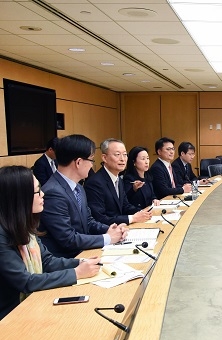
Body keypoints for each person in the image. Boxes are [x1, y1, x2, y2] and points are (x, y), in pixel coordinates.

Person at [0, 166, 101, 320]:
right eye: (37, 191)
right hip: (10, 314)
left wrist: (82, 262)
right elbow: (26, 281)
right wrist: (77, 273)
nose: (43, 194)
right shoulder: (2, 234)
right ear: (19, 197)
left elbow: (46, 261)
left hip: (30, 304)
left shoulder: (25, 226)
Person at [39, 134, 126, 258]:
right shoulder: (53, 193)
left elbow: (88, 221)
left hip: (85, 252)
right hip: (69, 260)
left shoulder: (78, 187)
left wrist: (110, 229)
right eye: (91, 160)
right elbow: (68, 239)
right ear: (79, 162)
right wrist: (107, 238)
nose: (92, 165)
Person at [84, 138, 152, 225]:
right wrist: (132, 218)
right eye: (117, 154)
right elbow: (99, 218)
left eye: (125, 154)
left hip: (121, 229)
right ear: (104, 158)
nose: (122, 159)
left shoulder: (118, 179)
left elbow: (125, 206)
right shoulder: (95, 183)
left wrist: (143, 212)